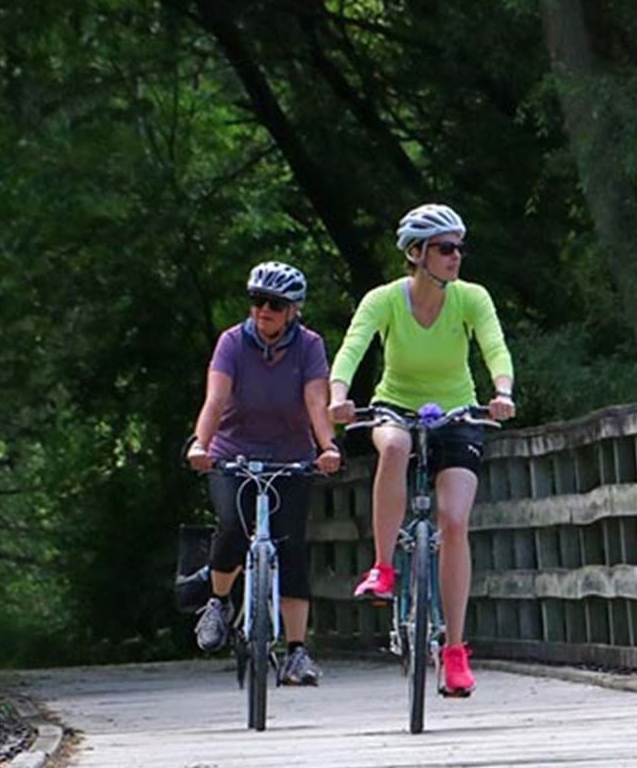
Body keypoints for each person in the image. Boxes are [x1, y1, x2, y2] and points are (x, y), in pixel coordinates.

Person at [327, 203, 515, 698]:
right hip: (396, 405)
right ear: (416, 253)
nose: (456, 256)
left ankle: (454, 652)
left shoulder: (471, 298)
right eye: (445, 248)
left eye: (459, 248)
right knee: (394, 445)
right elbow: (352, 349)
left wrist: (502, 392)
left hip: (457, 412)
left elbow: (494, 347)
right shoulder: (384, 300)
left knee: (454, 521)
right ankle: (383, 567)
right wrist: (338, 397)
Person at [187, 260, 343, 686]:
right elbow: (216, 399)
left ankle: (296, 651)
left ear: (293, 309)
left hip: (290, 456)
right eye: (257, 301)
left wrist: (328, 448)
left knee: (291, 547)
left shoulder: (309, 346)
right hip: (233, 453)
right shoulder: (232, 343)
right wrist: (200, 444)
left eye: (274, 304)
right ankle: (218, 602)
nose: (263, 311)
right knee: (232, 527)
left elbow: (316, 402)